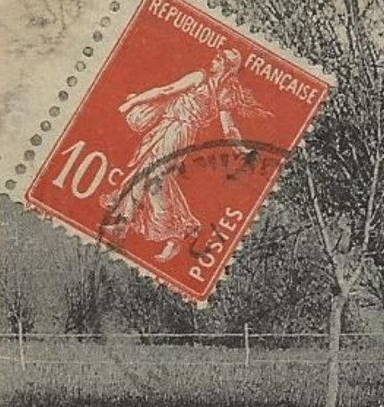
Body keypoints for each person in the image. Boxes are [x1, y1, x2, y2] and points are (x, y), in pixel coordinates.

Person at [101, 47, 268, 261]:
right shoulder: (215, 88)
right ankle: (128, 225)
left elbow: (166, 91)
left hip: (177, 132)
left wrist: (132, 103)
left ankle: (173, 231)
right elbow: (229, 129)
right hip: (171, 129)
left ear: (225, 67)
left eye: (218, 60)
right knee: (146, 175)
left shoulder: (207, 82)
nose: (213, 61)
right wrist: (241, 149)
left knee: (153, 177)